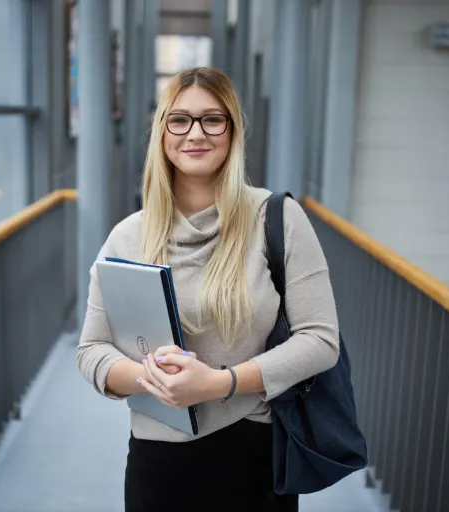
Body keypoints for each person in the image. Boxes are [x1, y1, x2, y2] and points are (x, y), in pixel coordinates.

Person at [76, 66, 340, 512]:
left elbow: (320, 340)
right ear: (162, 132)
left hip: (254, 456)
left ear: (233, 130)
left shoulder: (277, 219)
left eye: (212, 119)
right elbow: (91, 349)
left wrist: (218, 383)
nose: (194, 133)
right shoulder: (128, 236)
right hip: (157, 460)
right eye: (179, 120)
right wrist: (152, 380)